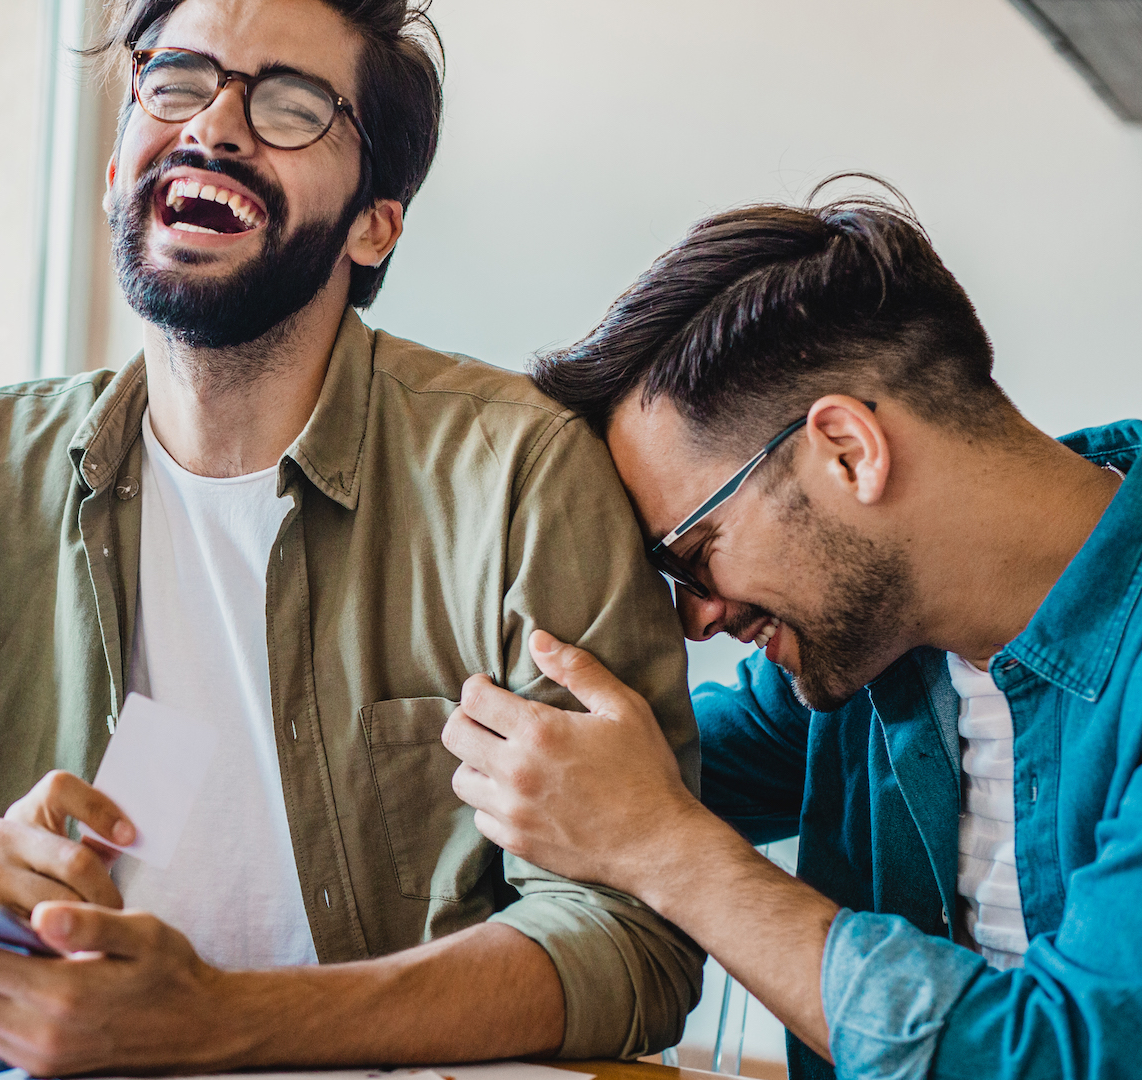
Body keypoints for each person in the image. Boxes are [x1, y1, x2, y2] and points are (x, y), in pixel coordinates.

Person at [0, 0, 706, 1074]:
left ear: (376, 221)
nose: (214, 126)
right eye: (177, 80)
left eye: (290, 104)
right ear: (115, 167)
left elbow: (632, 939)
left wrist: (216, 1021)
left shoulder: (523, 477)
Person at [440, 184, 1141, 1079]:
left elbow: (1071, 1059)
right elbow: (605, 771)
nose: (697, 620)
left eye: (696, 555)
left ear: (848, 451)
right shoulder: (864, 660)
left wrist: (666, 851)